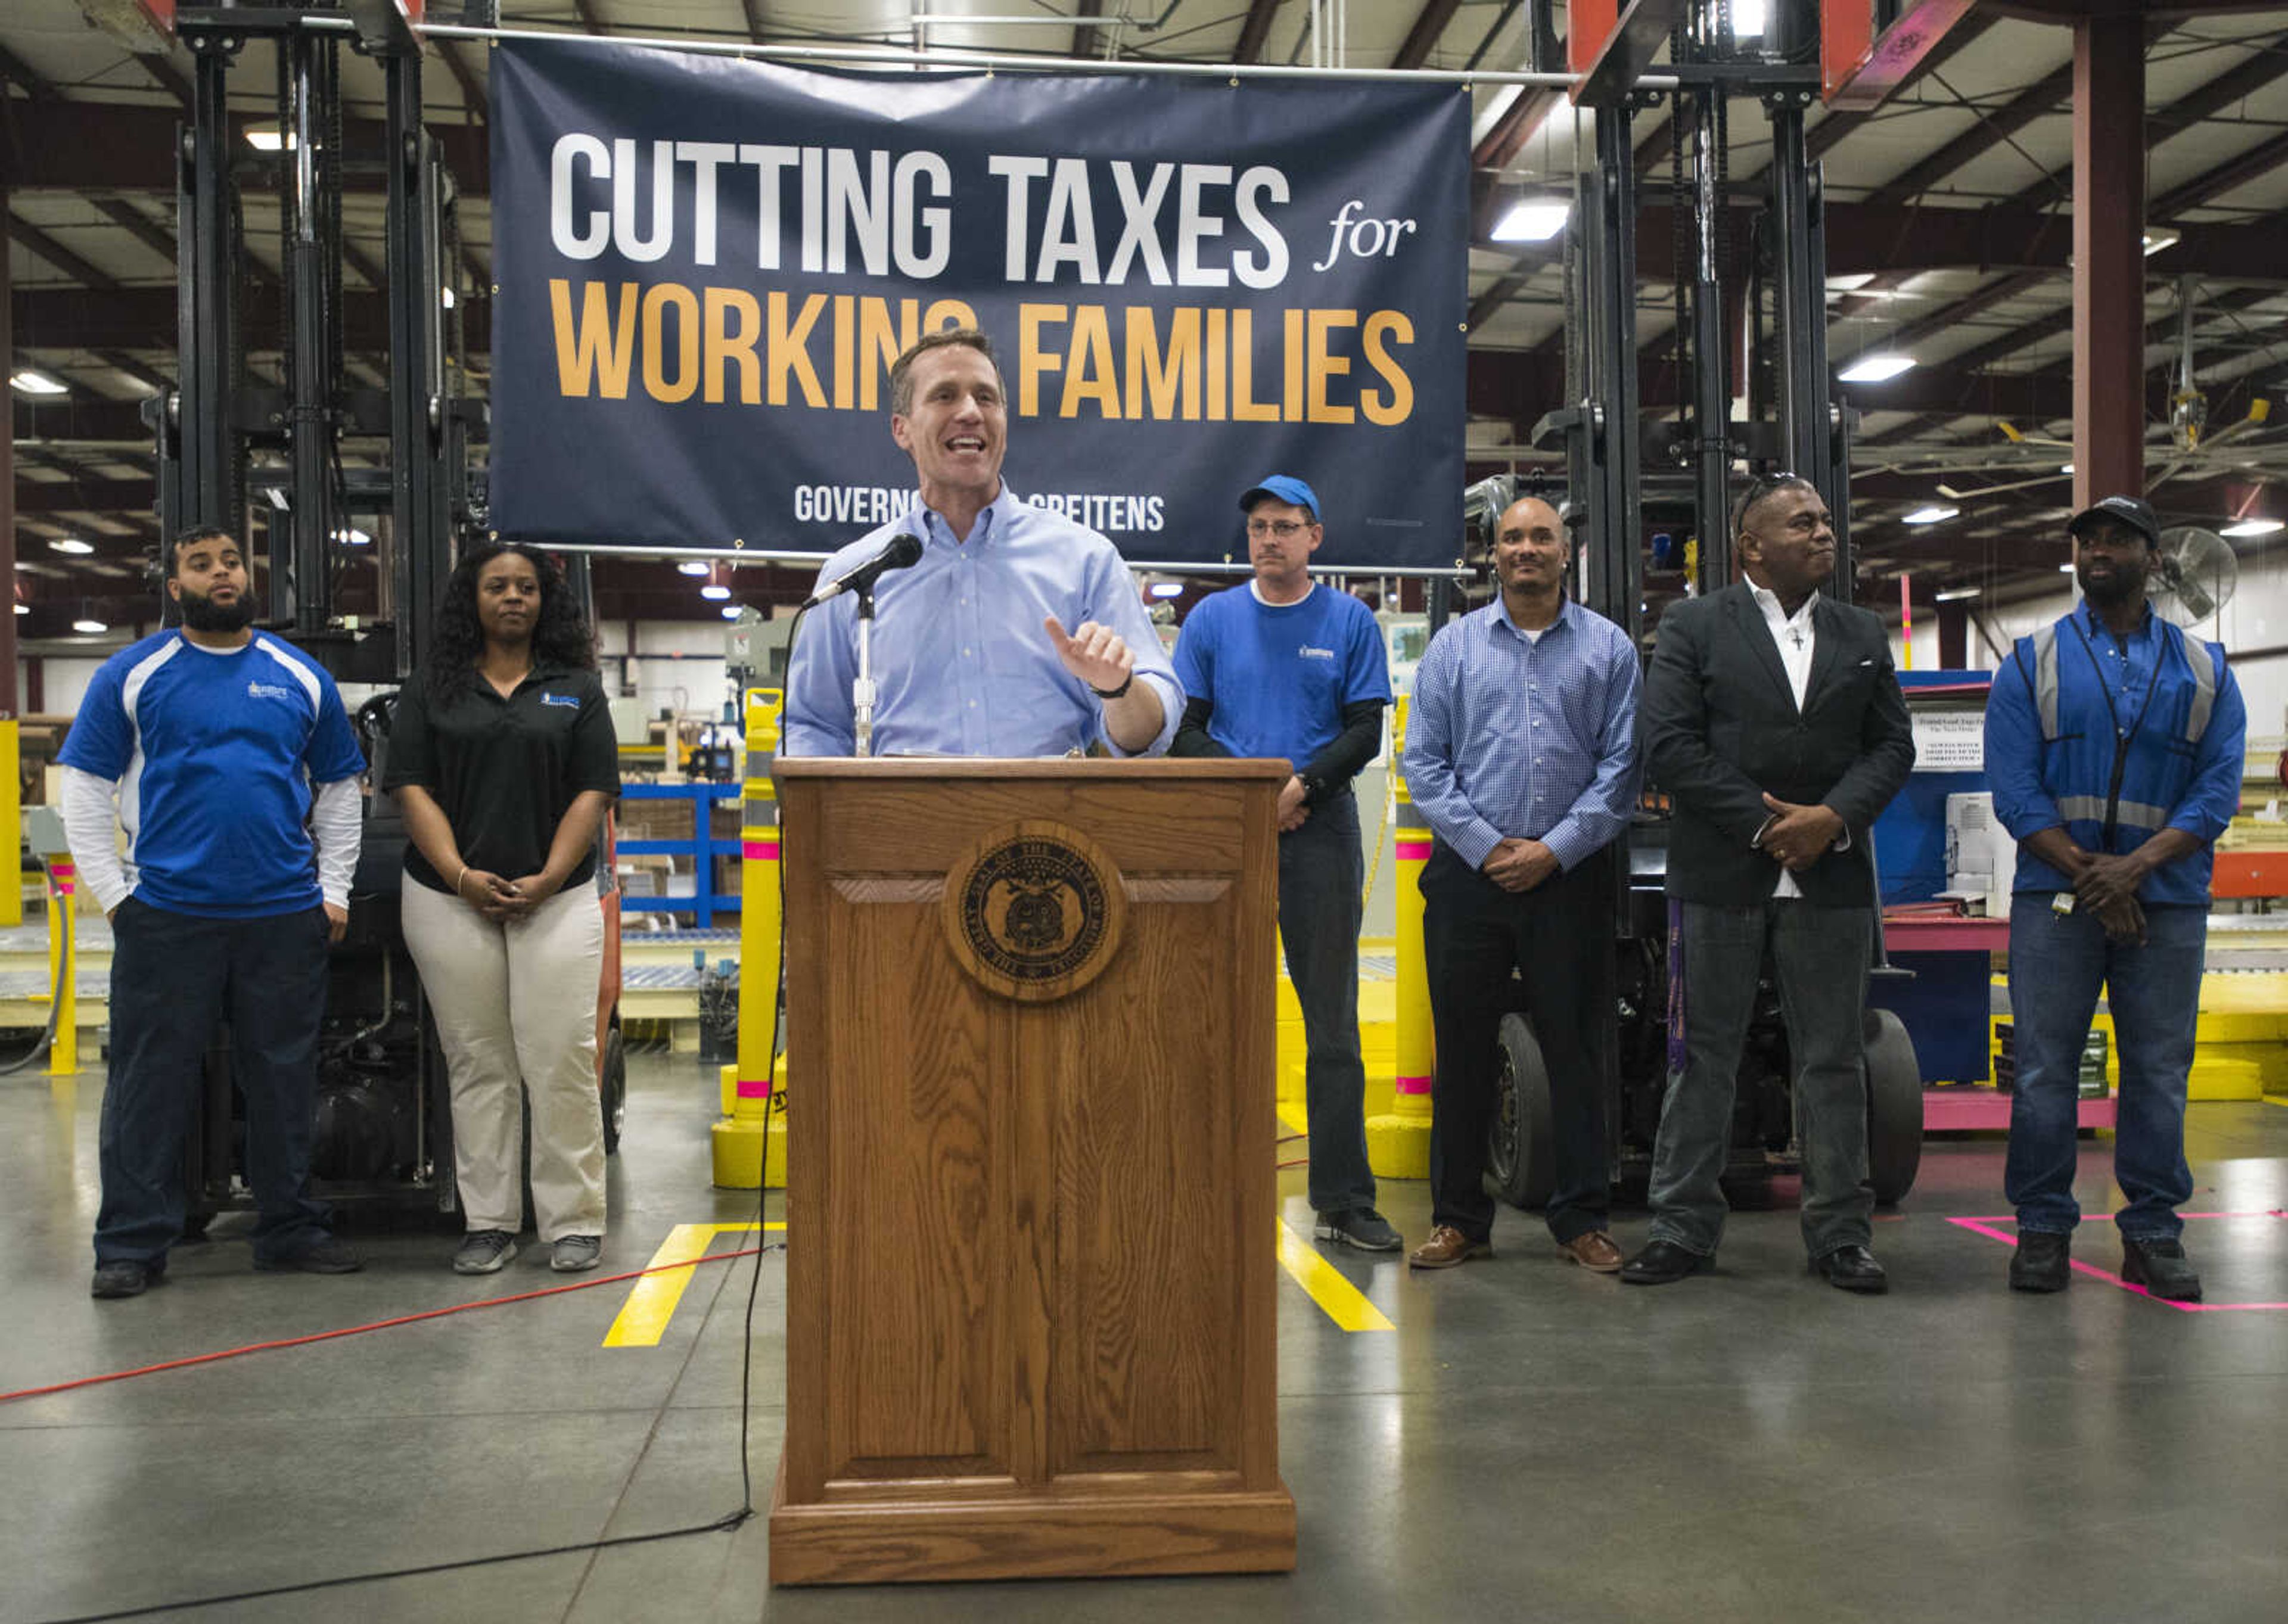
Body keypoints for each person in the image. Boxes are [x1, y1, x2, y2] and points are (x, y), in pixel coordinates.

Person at [1625, 474, 1914, 1293]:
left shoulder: (1860, 630)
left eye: (1826, 520)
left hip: (1832, 877)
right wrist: (1768, 825)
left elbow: (1892, 748)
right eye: (1803, 522)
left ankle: (1840, 1235)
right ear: (1752, 545)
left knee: (1831, 1058)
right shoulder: (1692, 625)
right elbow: (1671, 745)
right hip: (1721, 873)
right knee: (1703, 1055)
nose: (1825, 533)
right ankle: (1682, 1225)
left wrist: (1830, 819)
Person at [61, 527, 366, 1298]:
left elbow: (339, 789)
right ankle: (130, 1244)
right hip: (167, 917)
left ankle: (289, 1229)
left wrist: (333, 890)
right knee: (147, 1082)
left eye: (231, 561)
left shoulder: (299, 673)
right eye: (201, 564)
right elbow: (85, 788)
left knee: (284, 1080)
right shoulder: (135, 673)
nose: (221, 573)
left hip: (281, 917)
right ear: (175, 586)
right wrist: (118, 896)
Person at [1984, 495, 2245, 1301]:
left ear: (2155, 560)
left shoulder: (2207, 670)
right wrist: (2094, 875)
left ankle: (2155, 1233)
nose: (2099, 550)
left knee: (2160, 1072)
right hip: (2055, 902)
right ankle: (2043, 1230)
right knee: (2044, 1072)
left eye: (2118, 539)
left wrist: (2134, 871)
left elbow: (2217, 790)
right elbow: (2016, 790)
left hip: (2164, 904)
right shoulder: (2032, 661)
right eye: (2087, 540)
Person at [1400, 497, 1641, 1271]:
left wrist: (1554, 850)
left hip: (1568, 878)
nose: (1527, 549)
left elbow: (1621, 771)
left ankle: (1580, 1218)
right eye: (1513, 538)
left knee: (1576, 1052)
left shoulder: (1608, 649)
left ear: (1566, 552)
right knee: (1463, 1050)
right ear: (1493, 554)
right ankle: (1459, 1219)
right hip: (1470, 878)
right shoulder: (1452, 648)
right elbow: (1425, 767)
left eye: (1541, 537)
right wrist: (1487, 844)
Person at [1171, 476, 1397, 1252]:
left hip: (1322, 831)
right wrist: (1258, 788)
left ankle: (1343, 1198)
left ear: (1315, 537)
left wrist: (1303, 786)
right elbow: (1184, 728)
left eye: (1285, 527)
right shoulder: (1211, 620)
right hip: (1229, 830)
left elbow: (1365, 728)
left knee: (1331, 1024)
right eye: (1260, 527)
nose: (1269, 539)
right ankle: (1199, 1186)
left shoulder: (1349, 619)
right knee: (1212, 1018)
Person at [385, 543, 620, 1274]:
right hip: (447, 898)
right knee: (479, 1061)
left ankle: (574, 1219)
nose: (513, 597)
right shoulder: (434, 687)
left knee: (559, 1059)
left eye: (526, 586)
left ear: (544, 601)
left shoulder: (576, 688)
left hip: (559, 897)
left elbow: (594, 787)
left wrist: (551, 876)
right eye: (497, 586)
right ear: (473, 599)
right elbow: (411, 786)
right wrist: (459, 875)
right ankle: (488, 1220)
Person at [781, 327, 1179, 758]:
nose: (971, 412)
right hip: (899, 822)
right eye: (945, 396)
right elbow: (812, 725)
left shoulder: (1085, 561)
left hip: (1046, 824)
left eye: (986, 398)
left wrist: (1118, 688)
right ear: (902, 430)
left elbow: (1150, 735)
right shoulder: (854, 576)